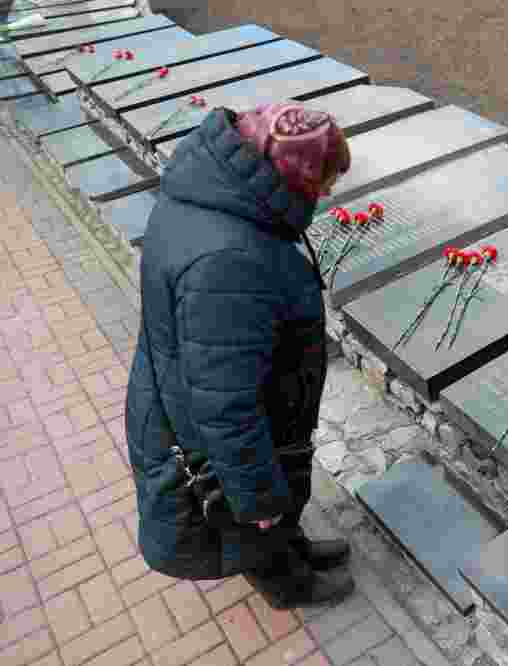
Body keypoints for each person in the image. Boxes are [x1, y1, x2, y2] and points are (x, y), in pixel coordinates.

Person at [125, 102, 354, 609]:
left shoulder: (213, 190)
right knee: (255, 521)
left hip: (200, 396)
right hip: (219, 432)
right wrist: (256, 500)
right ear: (291, 171)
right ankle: (289, 586)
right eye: (322, 182)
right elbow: (225, 406)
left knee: (276, 501)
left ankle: (291, 543)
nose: (326, 194)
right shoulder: (229, 263)